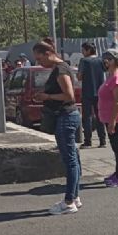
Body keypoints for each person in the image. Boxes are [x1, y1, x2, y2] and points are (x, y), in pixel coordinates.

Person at [32, 38, 83, 214]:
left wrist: (47, 97)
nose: (39, 63)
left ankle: (69, 201)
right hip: (68, 116)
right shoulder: (61, 68)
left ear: (48, 54)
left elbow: (69, 96)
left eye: (40, 59)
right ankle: (74, 196)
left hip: (65, 116)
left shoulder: (61, 69)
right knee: (73, 158)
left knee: (69, 160)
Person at [98, 48, 118, 187]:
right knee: (116, 147)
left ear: (115, 61)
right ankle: (117, 173)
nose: (105, 62)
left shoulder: (117, 76)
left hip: (116, 118)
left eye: (108, 59)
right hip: (109, 117)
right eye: (105, 59)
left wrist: (112, 122)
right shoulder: (111, 75)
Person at [77, 42, 107, 148]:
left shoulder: (84, 61)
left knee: (87, 117)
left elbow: (79, 77)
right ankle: (102, 141)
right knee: (100, 117)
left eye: (83, 50)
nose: (82, 52)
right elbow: (106, 69)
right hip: (100, 93)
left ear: (88, 50)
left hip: (87, 93)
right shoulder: (100, 60)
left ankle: (88, 141)